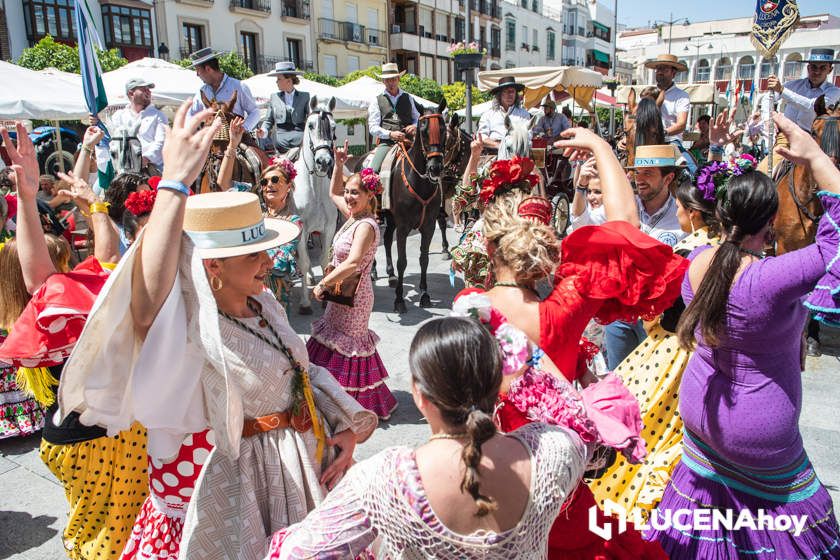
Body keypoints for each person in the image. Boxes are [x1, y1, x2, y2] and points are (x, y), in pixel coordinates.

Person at [57, 102, 378, 560]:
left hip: (297, 478)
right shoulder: (191, 325)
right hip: (238, 496)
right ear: (214, 268)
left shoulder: (263, 303)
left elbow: (299, 375)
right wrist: (173, 183)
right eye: (255, 255)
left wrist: (343, 428)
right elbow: (145, 306)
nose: (270, 261)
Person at [457, 131, 683, 558]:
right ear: (542, 243)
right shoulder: (569, 301)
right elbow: (625, 228)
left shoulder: (470, 307)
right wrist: (602, 148)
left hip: (492, 475)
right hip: (557, 473)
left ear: (488, 245)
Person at [648, 112, 840, 559]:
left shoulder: (698, 262)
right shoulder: (771, 278)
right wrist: (813, 156)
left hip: (701, 418)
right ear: (770, 219)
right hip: (759, 437)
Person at [266, 316, 590, 559]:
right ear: (499, 386)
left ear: (419, 395)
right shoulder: (555, 451)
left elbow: (298, 553)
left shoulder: (383, 480)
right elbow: (587, 424)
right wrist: (528, 356)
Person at [0, 123, 145, 560]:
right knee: (110, 542)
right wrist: (38, 199)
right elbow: (44, 275)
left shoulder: (68, 305)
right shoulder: (62, 308)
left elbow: (102, 257)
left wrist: (83, 203)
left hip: (79, 438)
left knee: (95, 534)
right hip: (98, 441)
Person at [590, 162, 722, 516]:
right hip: (705, 356)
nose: (677, 214)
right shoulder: (726, 251)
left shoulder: (685, 254)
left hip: (668, 351)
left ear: (693, 214)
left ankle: (629, 495)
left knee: (642, 421)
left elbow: (654, 312)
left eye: (680, 208)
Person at [308, 139, 397, 420]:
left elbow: (355, 262)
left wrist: (322, 283)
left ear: (370, 196)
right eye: (348, 193)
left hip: (355, 296)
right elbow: (333, 191)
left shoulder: (367, 225)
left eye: (355, 193)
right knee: (332, 341)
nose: (348, 197)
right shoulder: (353, 216)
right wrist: (338, 164)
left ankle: (351, 406)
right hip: (340, 290)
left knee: (350, 347)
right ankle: (329, 396)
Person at [603, 143, 688, 370]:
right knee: (616, 381)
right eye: (637, 173)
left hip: (660, 320)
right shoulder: (625, 207)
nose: (639, 179)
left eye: (648, 174)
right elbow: (585, 221)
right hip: (620, 314)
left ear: (668, 178)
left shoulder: (681, 215)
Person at [760, 48, 840, 174]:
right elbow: (767, 98)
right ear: (808, 68)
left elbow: (812, 106)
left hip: (814, 142)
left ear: (830, 69)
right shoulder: (793, 85)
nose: (817, 71)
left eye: (822, 68)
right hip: (786, 138)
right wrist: (767, 119)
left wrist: (782, 90)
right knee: (763, 171)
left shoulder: (834, 92)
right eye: (814, 67)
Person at [91, 78, 168, 173]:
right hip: (122, 167)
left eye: (149, 89)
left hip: (151, 168)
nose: (148, 92)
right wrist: (96, 123)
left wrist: (145, 158)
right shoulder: (119, 115)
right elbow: (110, 137)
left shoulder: (158, 115)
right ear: (131, 93)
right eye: (144, 89)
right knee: (99, 187)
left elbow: (162, 141)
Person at [186, 48, 260, 132]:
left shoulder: (238, 86)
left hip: (235, 136)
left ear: (208, 69)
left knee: (248, 146)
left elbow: (255, 112)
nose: (197, 74)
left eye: (198, 70)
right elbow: (190, 114)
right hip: (210, 138)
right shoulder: (202, 92)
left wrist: (243, 128)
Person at [367, 62, 419, 173]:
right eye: (387, 80)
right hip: (387, 143)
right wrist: (390, 134)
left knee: (431, 163)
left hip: (410, 141)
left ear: (398, 79)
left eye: (393, 79)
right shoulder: (376, 100)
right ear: (383, 81)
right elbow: (372, 127)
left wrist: (414, 126)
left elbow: (418, 118)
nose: (391, 83)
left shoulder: (408, 97)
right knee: (373, 171)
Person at [258, 61, 310, 153]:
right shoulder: (274, 97)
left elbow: (310, 119)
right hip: (280, 143)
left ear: (288, 80)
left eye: (279, 79)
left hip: (301, 142)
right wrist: (263, 130)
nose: (276, 82)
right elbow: (268, 121)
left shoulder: (305, 97)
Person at [643, 54, 690, 142]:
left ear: (673, 73)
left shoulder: (682, 96)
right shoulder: (647, 93)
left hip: (671, 141)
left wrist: (662, 133)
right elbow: (636, 119)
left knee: (683, 156)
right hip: (646, 141)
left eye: (665, 69)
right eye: (658, 69)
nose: (660, 72)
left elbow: (681, 124)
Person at [478, 76, 532, 149]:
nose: (509, 95)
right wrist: (499, 146)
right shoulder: (488, 115)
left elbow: (528, 135)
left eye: (512, 91)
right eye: (505, 91)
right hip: (493, 153)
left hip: (517, 152)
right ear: (499, 95)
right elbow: (482, 137)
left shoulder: (523, 114)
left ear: (516, 94)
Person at [570, 157, 606, 230]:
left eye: (598, 192)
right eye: (589, 191)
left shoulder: (605, 213)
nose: (590, 197)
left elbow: (579, 222)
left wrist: (580, 187)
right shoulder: (589, 208)